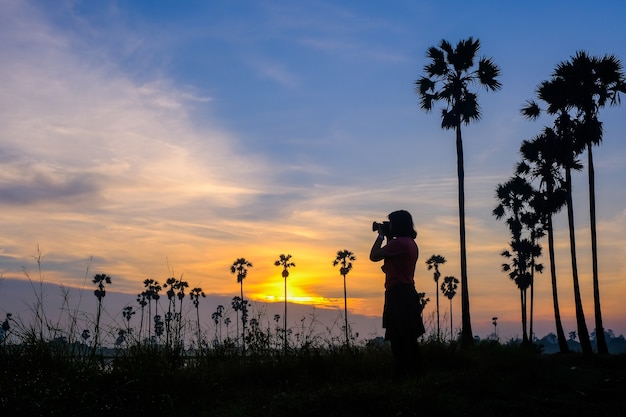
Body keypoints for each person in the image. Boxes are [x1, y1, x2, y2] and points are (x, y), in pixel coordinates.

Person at [369, 209, 424, 377]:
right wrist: (389, 237)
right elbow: (388, 266)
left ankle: (403, 376)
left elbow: (374, 256)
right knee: (408, 338)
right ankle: (413, 375)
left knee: (399, 339)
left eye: (391, 223)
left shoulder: (399, 244)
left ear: (397, 225)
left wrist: (380, 236)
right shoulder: (409, 243)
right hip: (407, 292)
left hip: (398, 293)